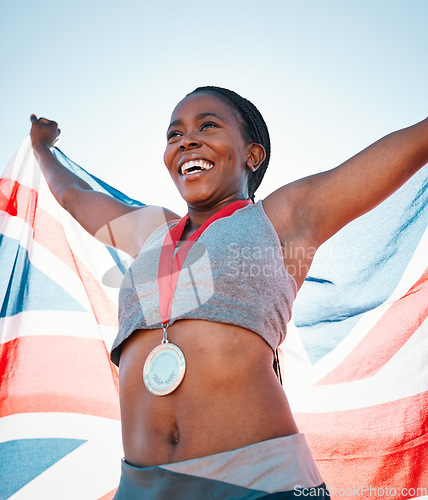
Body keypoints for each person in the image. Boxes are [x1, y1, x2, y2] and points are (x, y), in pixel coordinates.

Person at [30, 87, 428, 499]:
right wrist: (42, 149)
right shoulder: (151, 232)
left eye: (208, 125)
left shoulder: (282, 217)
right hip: (143, 486)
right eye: (174, 134)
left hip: (259, 480)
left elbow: (411, 144)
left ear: (252, 156)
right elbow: (76, 197)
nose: (187, 140)